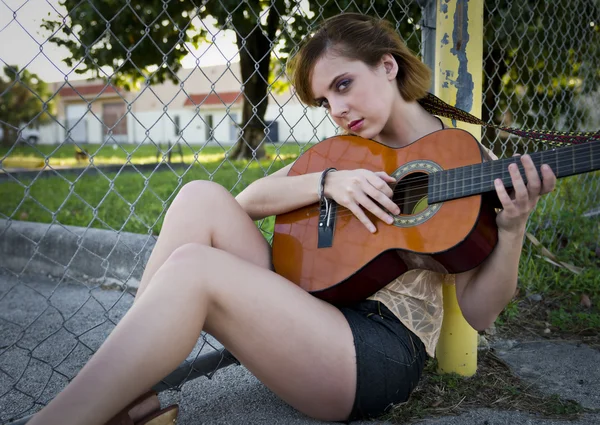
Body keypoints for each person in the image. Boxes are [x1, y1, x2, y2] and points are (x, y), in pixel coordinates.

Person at [28, 13, 557, 425]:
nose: (337, 109)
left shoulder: (466, 158)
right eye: (326, 100)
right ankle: (132, 400)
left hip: (370, 353)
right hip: (311, 307)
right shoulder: (350, 149)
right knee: (197, 197)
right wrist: (330, 183)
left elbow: (480, 312)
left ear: (388, 66)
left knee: (193, 268)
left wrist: (512, 231)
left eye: (344, 85)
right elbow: (250, 198)